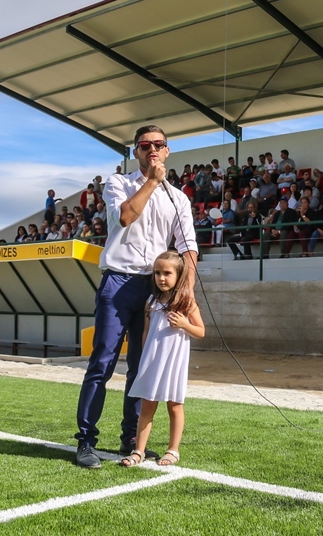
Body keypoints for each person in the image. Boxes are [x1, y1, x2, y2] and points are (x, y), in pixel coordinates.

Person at [75, 125, 198, 470]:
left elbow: (188, 246)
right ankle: (86, 439)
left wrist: (186, 289)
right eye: (146, 146)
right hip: (118, 281)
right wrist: (152, 182)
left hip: (155, 287)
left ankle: (131, 439)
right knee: (102, 362)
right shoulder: (119, 184)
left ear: (167, 150)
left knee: (142, 369)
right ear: (136, 152)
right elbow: (126, 216)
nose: (153, 150)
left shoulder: (179, 198)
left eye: (159, 145)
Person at [119, 251, 205, 468]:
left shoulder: (186, 302)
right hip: (152, 361)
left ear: (179, 275)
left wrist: (184, 324)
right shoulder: (152, 301)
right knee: (147, 405)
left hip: (174, 362)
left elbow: (200, 331)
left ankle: (173, 450)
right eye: (157, 273)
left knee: (174, 405)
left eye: (167, 273)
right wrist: (143, 359)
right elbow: (146, 334)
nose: (161, 278)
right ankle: (139, 450)